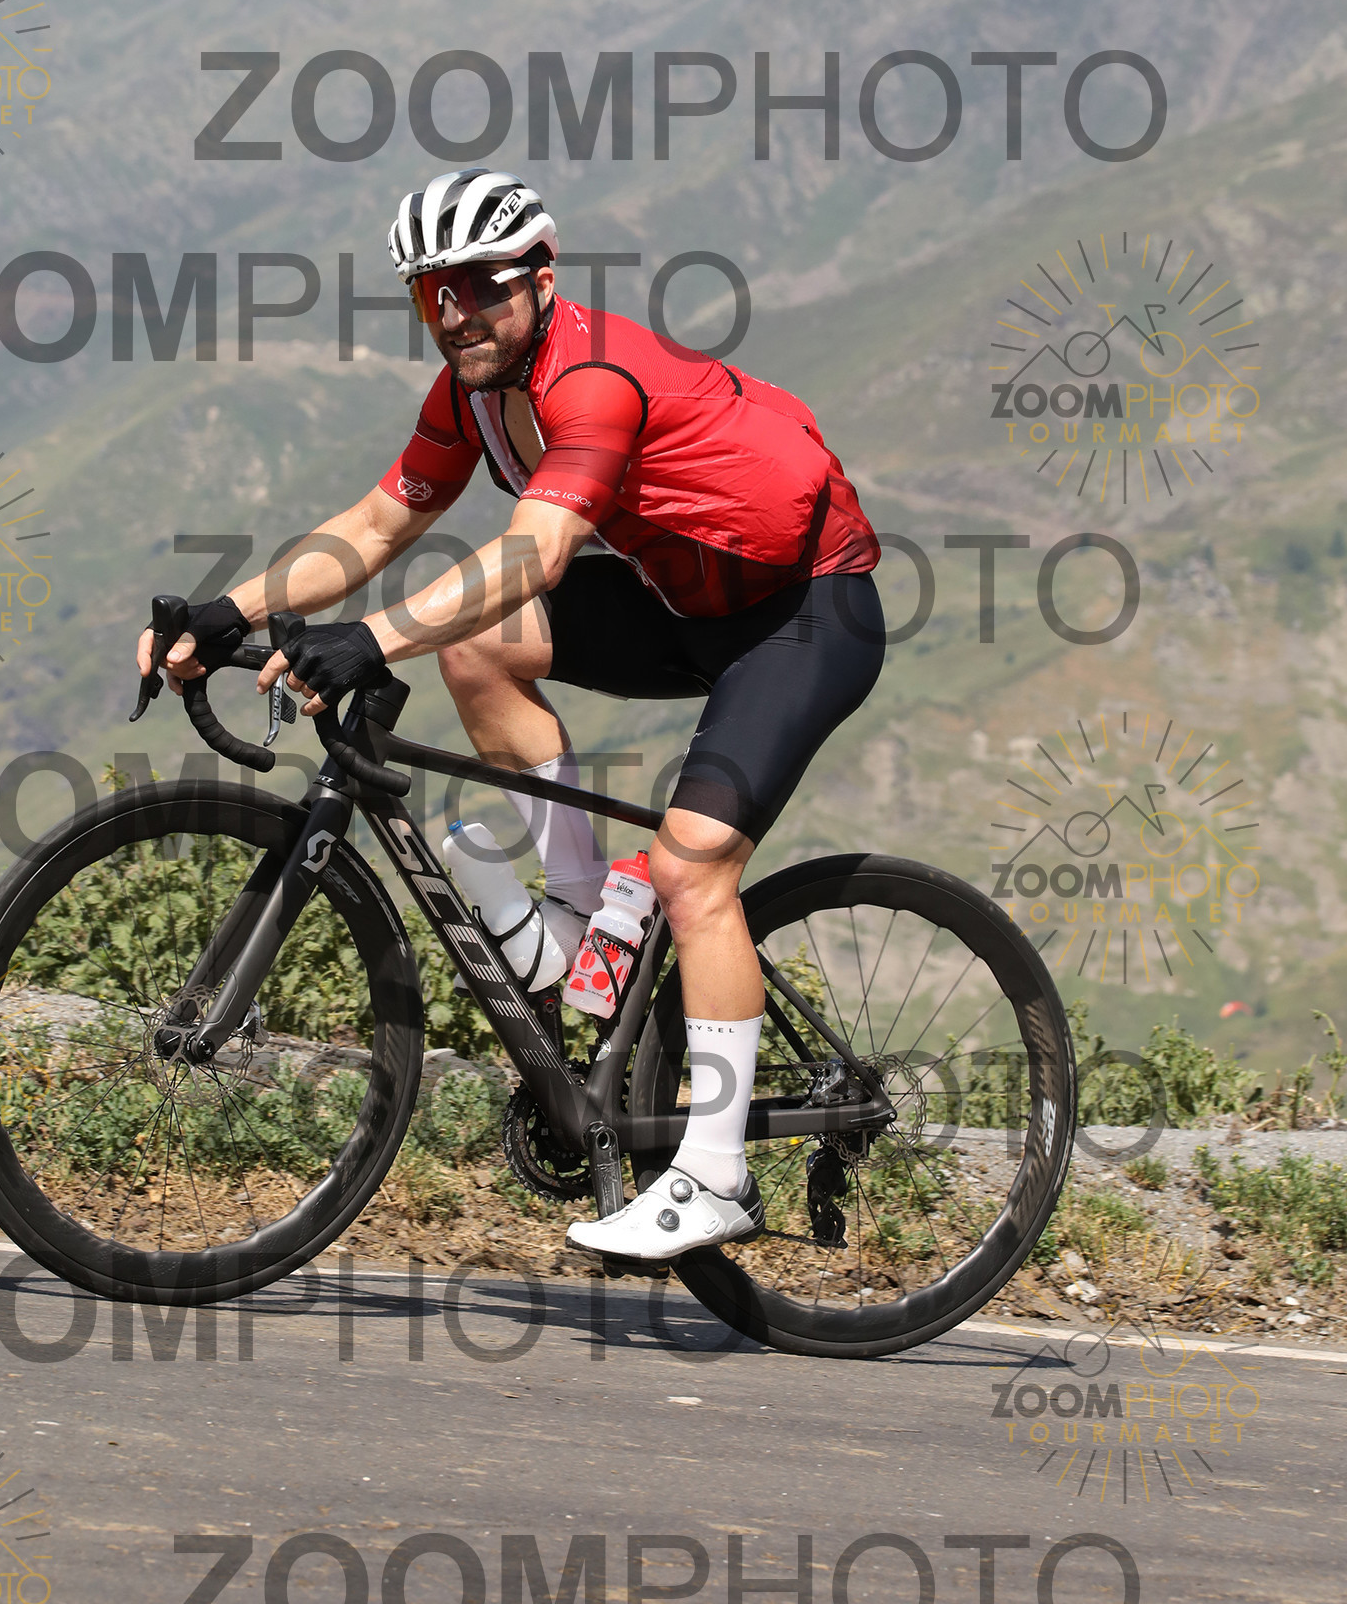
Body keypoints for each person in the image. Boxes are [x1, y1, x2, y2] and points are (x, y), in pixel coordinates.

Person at [137, 169, 885, 1260]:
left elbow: (536, 553)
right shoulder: (473, 395)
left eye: (480, 286)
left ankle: (717, 1175)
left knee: (690, 873)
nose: (455, 314)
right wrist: (227, 610)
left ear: (540, 277)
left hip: (804, 613)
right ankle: (581, 920)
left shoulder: (592, 380)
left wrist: (371, 638)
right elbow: (377, 524)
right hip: (682, 599)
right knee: (478, 647)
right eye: (429, 293)